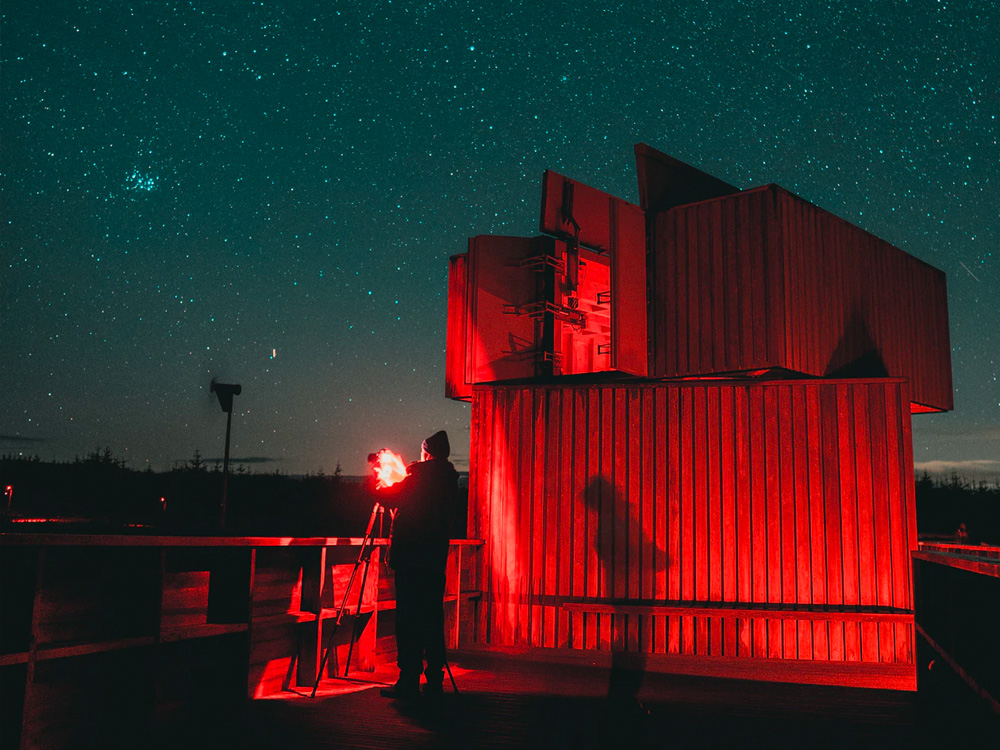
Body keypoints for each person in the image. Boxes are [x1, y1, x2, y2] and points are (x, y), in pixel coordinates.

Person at [376, 430, 458, 700]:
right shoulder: (448, 479)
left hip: (411, 559)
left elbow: (390, 497)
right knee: (432, 618)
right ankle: (435, 679)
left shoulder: (420, 478)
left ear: (427, 452)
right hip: (435, 560)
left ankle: (408, 678)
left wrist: (374, 484)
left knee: (409, 619)